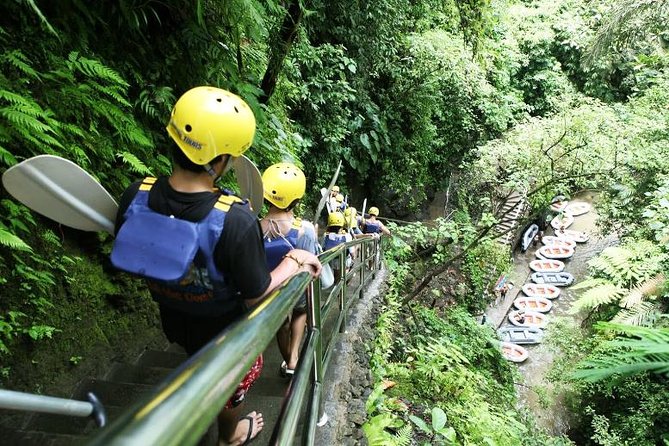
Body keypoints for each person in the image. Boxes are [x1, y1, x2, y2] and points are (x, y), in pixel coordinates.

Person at [111, 86, 321, 446]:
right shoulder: (235, 220)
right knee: (231, 384)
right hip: (225, 333)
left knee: (195, 358)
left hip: (173, 318)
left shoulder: (136, 194)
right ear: (221, 160)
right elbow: (257, 294)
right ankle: (231, 435)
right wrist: (293, 260)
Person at [259, 162, 318, 379]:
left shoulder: (254, 227)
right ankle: (294, 359)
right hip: (296, 287)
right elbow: (311, 263)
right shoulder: (305, 229)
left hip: (270, 287)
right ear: (297, 198)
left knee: (280, 323)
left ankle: (287, 360)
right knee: (300, 312)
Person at [322, 212, 353, 278]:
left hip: (331, 261)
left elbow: (323, 248)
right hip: (344, 261)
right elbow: (352, 252)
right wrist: (353, 259)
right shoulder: (347, 236)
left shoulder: (326, 235)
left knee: (336, 277)